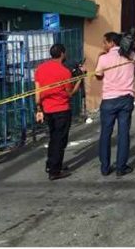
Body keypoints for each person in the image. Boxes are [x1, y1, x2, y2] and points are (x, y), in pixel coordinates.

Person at [95, 32, 135, 178]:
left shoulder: (103, 58)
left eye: (105, 42)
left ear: (111, 43)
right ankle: (121, 168)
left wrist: (101, 59)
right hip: (126, 99)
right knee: (123, 133)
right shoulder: (132, 56)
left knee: (105, 133)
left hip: (108, 100)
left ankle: (105, 168)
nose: (104, 45)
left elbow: (98, 76)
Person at [35, 44, 84, 181]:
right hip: (61, 109)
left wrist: (38, 109)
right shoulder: (64, 72)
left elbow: (37, 92)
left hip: (47, 109)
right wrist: (79, 80)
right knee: (60, 140)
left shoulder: (40, 69)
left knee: (53, 137)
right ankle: (55, 170)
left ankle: (51, 164)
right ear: (62, 53)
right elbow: (69, 93)